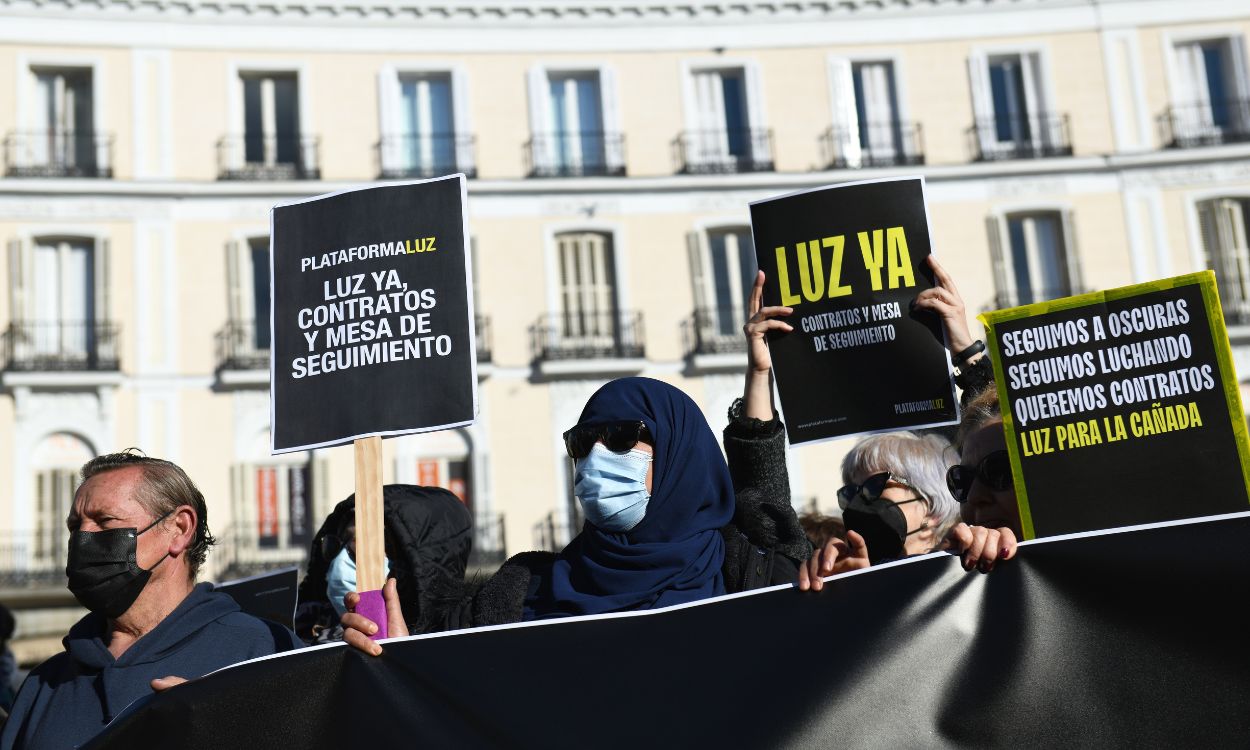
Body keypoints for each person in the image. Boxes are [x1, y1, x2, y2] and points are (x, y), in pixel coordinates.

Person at [341, 377, 825, 654]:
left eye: (619, 437)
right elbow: (442, 697)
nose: (595, 458)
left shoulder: (757, 577)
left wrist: (847, 602)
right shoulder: (520, 592)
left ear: (680, 455)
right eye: (581, 443)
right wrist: (403, 656)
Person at [739, 260, 1016, 590]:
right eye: (850, 493)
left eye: (874, 487)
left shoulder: (975, 566)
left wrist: (967, 353)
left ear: (932, 505)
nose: (859, 504)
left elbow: (993, 435)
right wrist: (760, 374)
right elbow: (767, 514)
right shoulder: (841, 573)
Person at [1, 451, 299, 750]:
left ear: (179, 529)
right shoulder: (44, 683)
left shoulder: (265, 652)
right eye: (75, 526)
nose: (82, 537)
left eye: (104, 521)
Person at [294, 484, 472, 643]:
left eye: (363, 547)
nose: (339, 562)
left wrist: (397, 654)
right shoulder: (295, 633)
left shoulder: (456, 648)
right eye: (336, 544)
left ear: (409, 566)